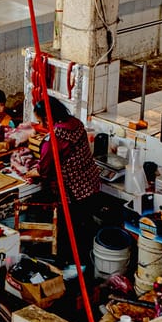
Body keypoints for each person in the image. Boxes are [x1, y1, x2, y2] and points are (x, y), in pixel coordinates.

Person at [36, 94, 102, 275]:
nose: (42, 126)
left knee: (69, 229)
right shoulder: (76, 123)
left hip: (74, 192)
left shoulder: (56, 137)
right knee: (84, 227)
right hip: (91, 184)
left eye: (42, 121)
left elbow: (45, 168)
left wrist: (35, 170)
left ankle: (70, 269)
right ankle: (87, 264)